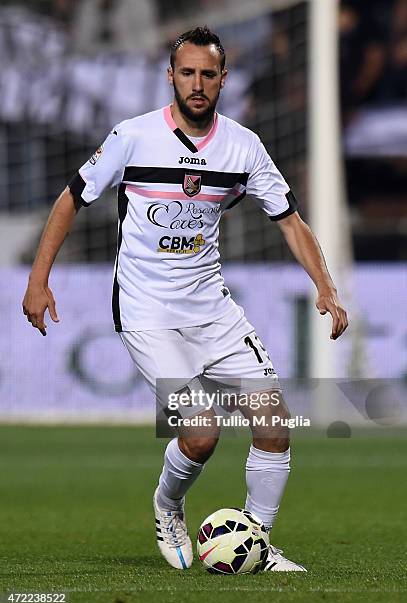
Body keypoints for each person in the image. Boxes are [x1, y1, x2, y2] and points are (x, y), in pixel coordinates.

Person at [22, 26, 348, 572]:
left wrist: (327, 286)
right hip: (147, 311)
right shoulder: (133, 136)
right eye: (188, 72)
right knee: (201, 433)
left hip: (213, 311)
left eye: (208, 74)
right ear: (170, 76)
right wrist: (38, 279)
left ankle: (256, 546)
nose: (197, 84)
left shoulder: (243, 146)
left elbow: (289, 220)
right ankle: (167, 505)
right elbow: (71, 199)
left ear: (223, 79)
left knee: (273, 424)